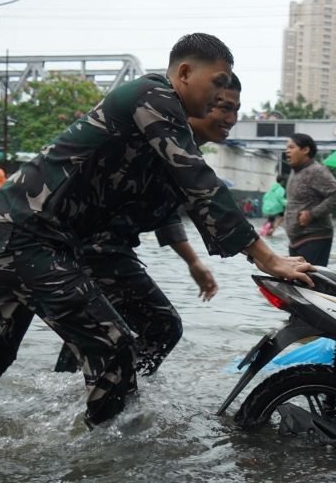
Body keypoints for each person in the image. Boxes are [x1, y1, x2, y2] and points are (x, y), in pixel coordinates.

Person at [0, 34, 312, 428]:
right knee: (113, 347)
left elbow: (193, 196)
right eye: (216, 83)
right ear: (184, 73)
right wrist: (268, 258)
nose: (219, 99)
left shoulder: (159, 112)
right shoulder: (153, 95)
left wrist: (204, 260)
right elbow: (199, 181)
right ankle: (106, 459)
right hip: (28, 233)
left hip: (26, 233)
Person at [52, 73, 244, 380]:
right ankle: (119, 395)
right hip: (94, 244)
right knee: (162, 326)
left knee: (93, 333)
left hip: (98, 247)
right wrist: (267, 259)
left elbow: (165, 211)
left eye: (235, 109)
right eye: (221, 106)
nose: (231, 118)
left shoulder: (182, 150)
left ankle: (70, 394)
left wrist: (193, 261)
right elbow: (207, 201)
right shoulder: (162, 141)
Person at [283, 133, 336, 266]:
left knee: (310, 283)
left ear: (305, 150)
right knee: (298, 283)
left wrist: (312, 214)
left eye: (292, 147)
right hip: (296, 239)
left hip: (314, 237)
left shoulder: (316, 171)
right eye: (287, 147)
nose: (287, 150)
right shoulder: (295, 172)